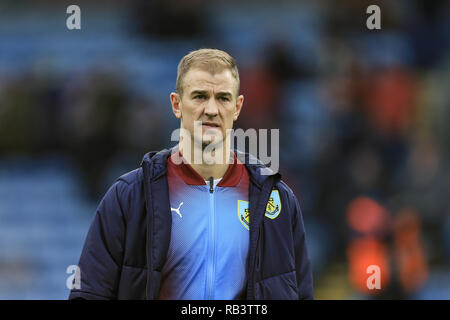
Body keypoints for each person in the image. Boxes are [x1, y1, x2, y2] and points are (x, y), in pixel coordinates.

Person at [68, 48, 313, 300]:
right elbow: (89, 294)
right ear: (176, 104)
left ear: (238, 107)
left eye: (223, 98)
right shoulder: (128, 197)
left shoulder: (278, 200)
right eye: (199, 96)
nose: (211, 109)